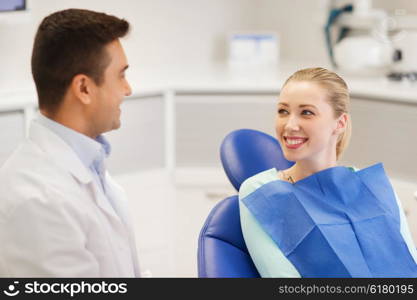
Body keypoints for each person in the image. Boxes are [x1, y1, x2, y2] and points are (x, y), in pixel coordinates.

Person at [0, 9, 140, 277]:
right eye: (121, 75)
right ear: (84, 89)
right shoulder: (37, 202)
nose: (128, 89)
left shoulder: (86, 166)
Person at [239, 67, 417, 277]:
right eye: (283, 111)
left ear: (339, 123)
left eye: (306, 112)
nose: (290, 125)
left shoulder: (372, 188)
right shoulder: (262, 192)